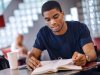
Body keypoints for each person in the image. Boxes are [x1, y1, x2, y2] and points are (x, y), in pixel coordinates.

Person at [26, 1, 97, 70]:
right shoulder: (43, 33)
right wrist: (30, 60)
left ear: (62, 14)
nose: (53, 22)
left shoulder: (79, 27)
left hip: (83, 71)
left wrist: (85, 58)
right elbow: (33, 54)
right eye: (48, 20)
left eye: (56, 17)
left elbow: (92, 54)